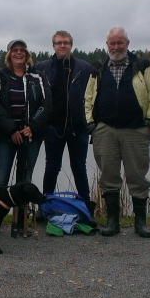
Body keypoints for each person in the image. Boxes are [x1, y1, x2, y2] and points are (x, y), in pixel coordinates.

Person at [84, 26, 150, 238]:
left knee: (137, 176)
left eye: (120, 42)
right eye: (112, 43)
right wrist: (92, 126)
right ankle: (112, 223)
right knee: (108, 176)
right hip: (105, 130)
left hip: (136, 130)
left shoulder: (142, 66)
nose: (116, 47)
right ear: (107, 45)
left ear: (127, 43)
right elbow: (88, 98)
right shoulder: (97, 68)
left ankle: (140, 223)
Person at [0, 39, 51, 237]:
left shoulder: (38, 76)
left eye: (21, 50)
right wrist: (11, 129)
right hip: (6, 136)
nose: (18, 53)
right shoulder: (0, 76)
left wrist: (32, 127)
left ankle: (21, 223)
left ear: (26, 54)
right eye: (14, 50)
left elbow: (47, 103)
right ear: (9, 54)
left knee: (25, 180)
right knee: (0, 179)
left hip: (30, 136)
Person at [35, 30, 94, 213]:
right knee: (52, 167)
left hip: (79, 128)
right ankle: (46, 206)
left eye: (66, 42)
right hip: (53, 128)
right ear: (53, 46)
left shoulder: (85, 68)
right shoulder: (41, 68)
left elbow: (93, 96)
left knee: (79, 168)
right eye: (59, 42)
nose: (62, 45)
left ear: (71, 45)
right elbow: (36, 99)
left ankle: (86, 208)